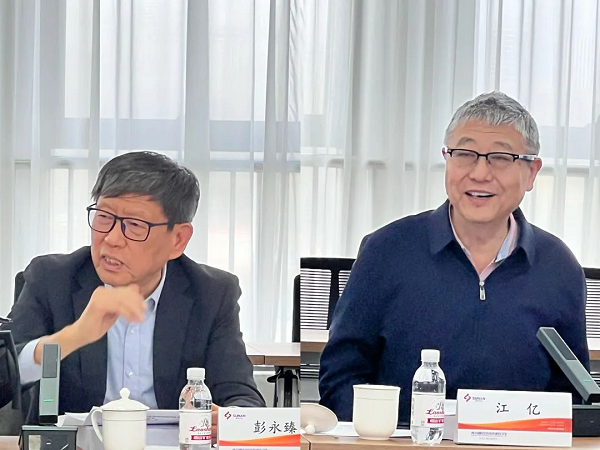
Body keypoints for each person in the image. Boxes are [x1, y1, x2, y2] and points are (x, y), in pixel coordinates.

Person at [318, 92, 589, 424]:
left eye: (500, 157)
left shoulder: (559, 267)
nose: (479, 173)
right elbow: (341, 373)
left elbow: (573, 394)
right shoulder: (386, 250)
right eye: (464, 154)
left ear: (532, 172)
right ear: (446, 159)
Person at [6, 151, 265, 435]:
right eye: (104, 217)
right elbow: (4, 377)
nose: (112, 239)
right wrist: (73, 336)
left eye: (135, 226)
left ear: (178, 239)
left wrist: (228, 421)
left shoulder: (212, 293)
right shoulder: (52, 279)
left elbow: (243, 398)